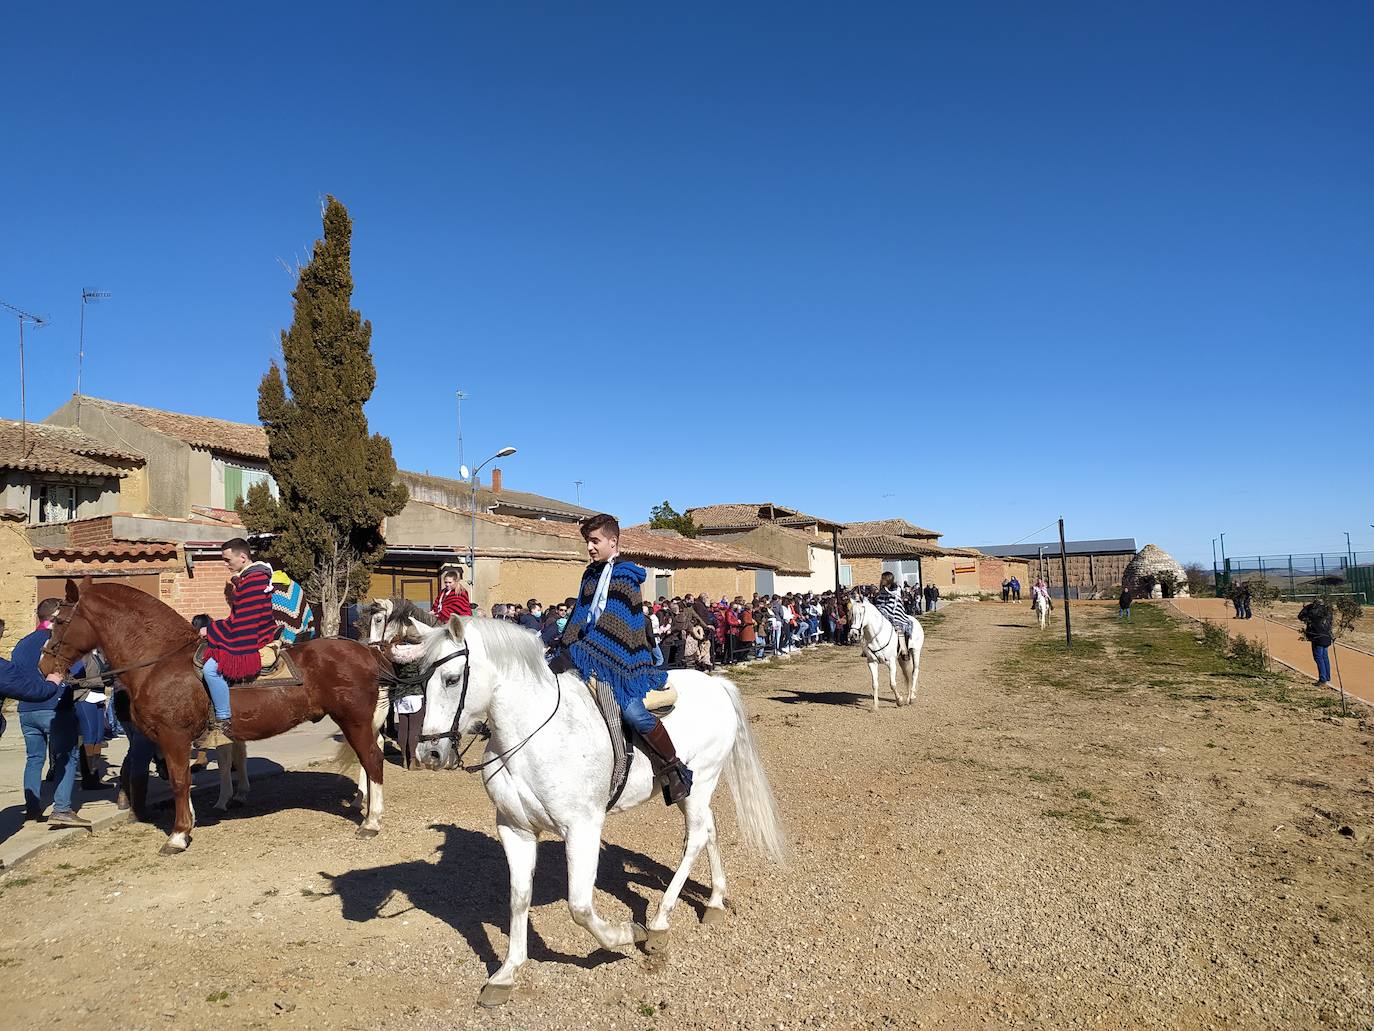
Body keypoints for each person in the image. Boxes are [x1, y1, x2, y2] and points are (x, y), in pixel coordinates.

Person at [550, 513, 692, 803]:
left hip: (624, 660)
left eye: (594, 541)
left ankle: (673, 767)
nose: (589, 547)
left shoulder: (626, 576)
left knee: (633, 713)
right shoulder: (589, 575)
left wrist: (579, 652)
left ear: (612, 541)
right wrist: (562, 649)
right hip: (588, 651)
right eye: (587, 542)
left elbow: (616, 624)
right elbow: (580, 616)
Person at [12, 600, 90, 827]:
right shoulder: (59, 641)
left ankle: (32, 807)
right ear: (56, 616)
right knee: (67, 756)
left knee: (34, 759)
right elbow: (75, 670)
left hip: (26, 708)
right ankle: (62, 808)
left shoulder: (21, 643)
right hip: (55, 706)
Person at [199, 538, 277, 740]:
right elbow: (238, 617)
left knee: (210, 669)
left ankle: (223, 719)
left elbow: (244, 622)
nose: (226, 565)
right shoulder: (247, 578)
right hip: (256, 630)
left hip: (257, 637)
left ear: (242, 557)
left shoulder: (255, 580)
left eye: (227, 560)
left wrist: (212, 630)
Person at [270, 569, 316, 644]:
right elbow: (306, 614)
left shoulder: (266, 589)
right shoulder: (295, 587)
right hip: (298, 638)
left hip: (274, 640)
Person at [1296, 598, 1335, 687]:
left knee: (1318, 657)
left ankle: (1322, 679)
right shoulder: (1328, 611)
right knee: (1325, 657)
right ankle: (1327, 677)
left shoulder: (1312, 611)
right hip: (1327, 636)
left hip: (1317, 636)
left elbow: (1301, 616)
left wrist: (1307, 607)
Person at [875, 572, 918, 649]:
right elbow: (879, 600)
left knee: (898, 627)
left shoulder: (896, 589)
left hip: (895, 612)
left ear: (888, 579)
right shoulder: (882, 589)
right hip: (882, 610)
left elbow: (893, 602)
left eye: (883, 579)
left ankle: (904, 649)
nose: (881, 580)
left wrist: (883, 611)